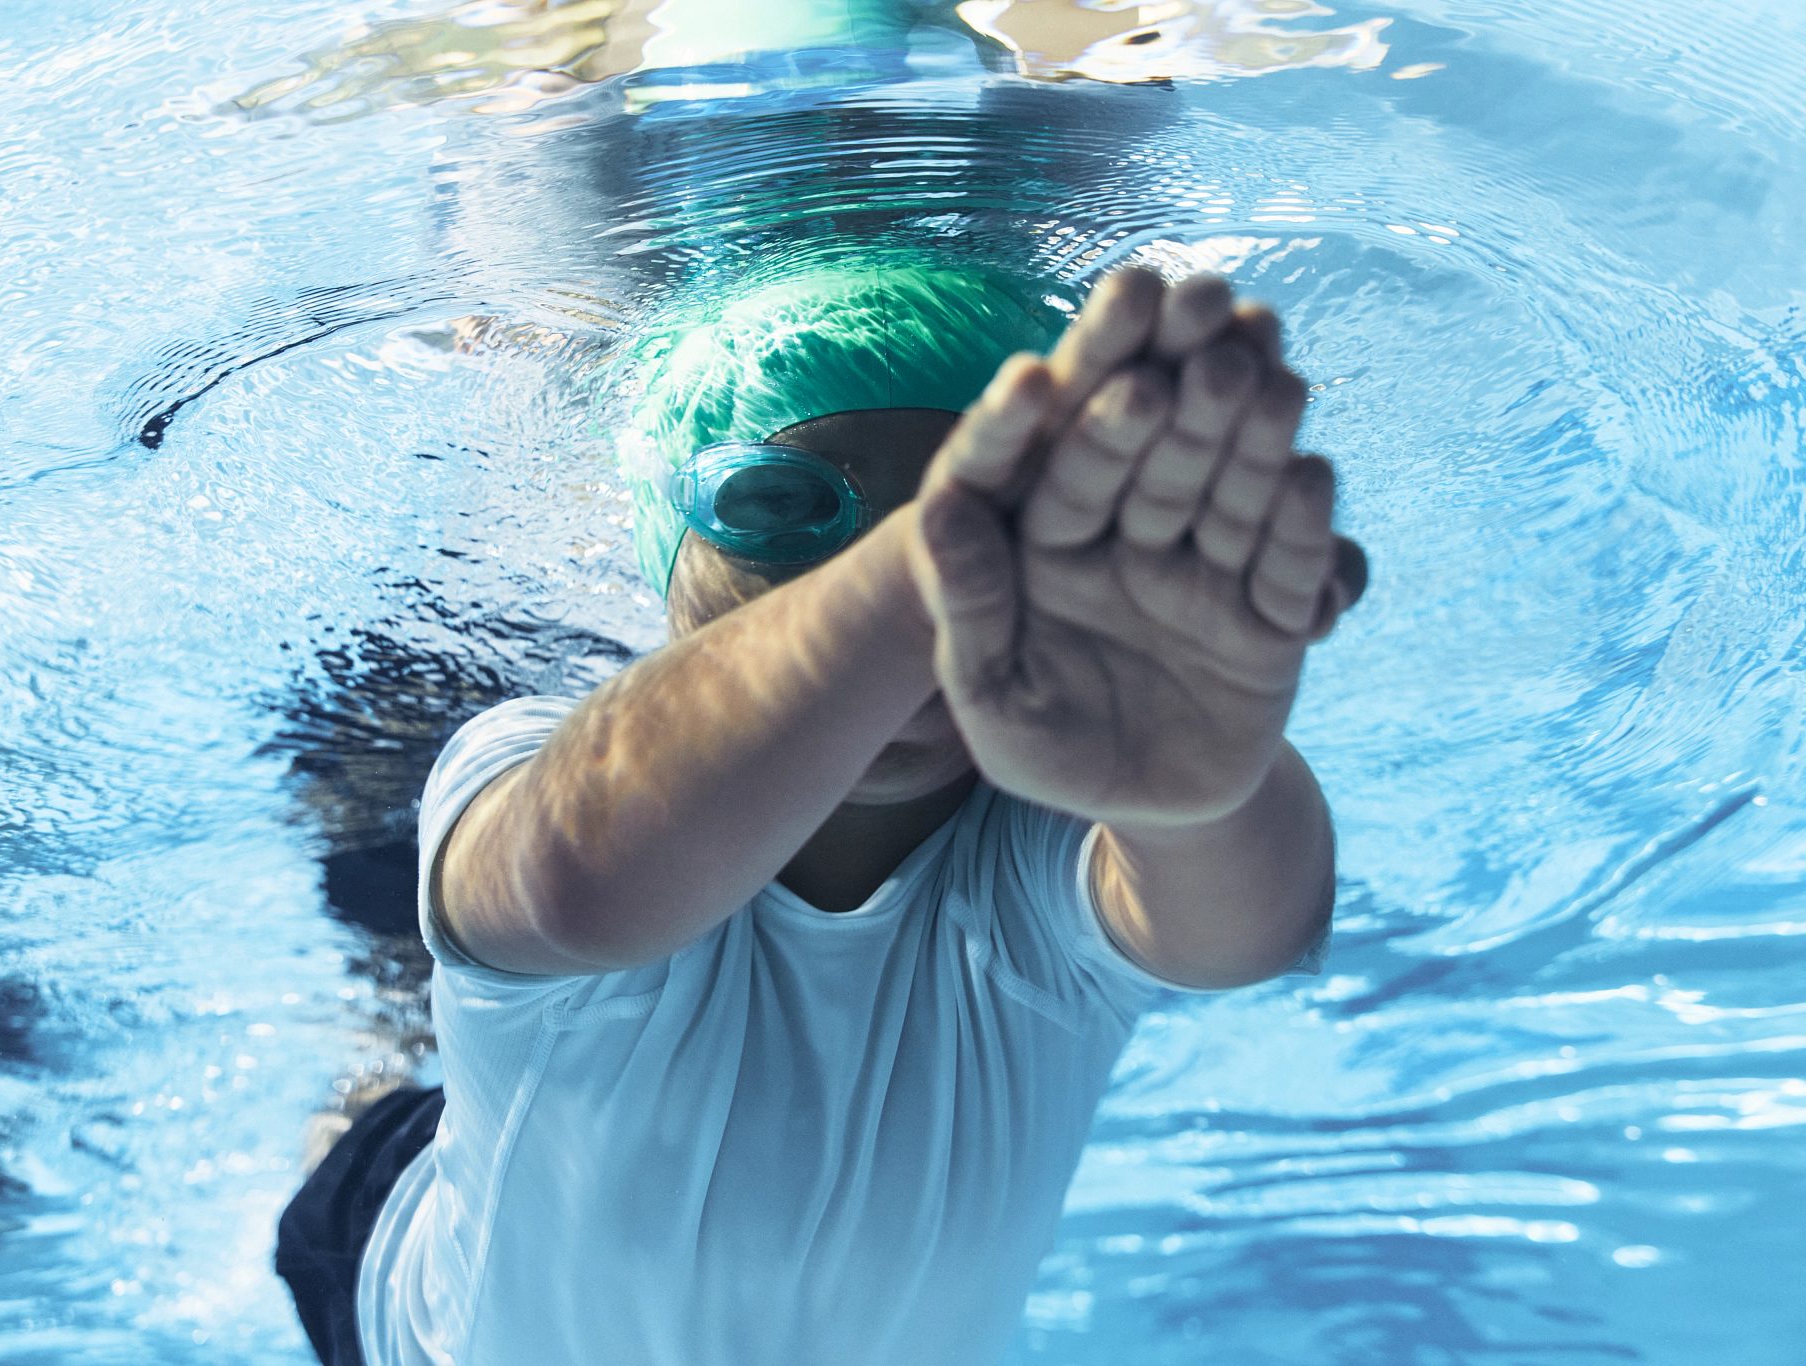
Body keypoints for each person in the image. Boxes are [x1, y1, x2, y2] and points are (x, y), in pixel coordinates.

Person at [274, 253, 1369, 1364]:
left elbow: (1243, 928)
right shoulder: (532, 754)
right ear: (665, 542)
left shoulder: (1045, 855)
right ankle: (381, 1044)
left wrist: (1199, 798)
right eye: (781, 506)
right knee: (365, 1098)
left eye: (983, 537)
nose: (899, 584)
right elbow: (572, 878)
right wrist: (922, 575)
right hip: (400, 1303)